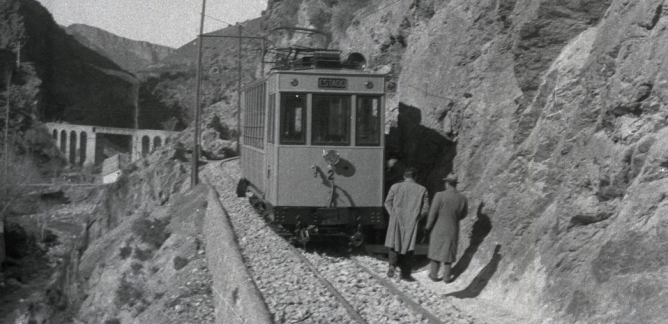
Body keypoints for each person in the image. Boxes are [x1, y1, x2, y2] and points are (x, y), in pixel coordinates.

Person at [384, 167, 430, 280]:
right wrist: (417, 217)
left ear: (404, 176)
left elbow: (387, 203)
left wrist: (393, 214)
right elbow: (426, 208)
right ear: (415, 176)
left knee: (394, 243)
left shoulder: (395, 187)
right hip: (411, 220)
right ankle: (405, 273)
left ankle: (392, 266)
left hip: (396, 219)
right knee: (408, 246)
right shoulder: (422, 189)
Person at [425, 173, 468, 283]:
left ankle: (434, 274)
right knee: (449, 251)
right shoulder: (462, 198)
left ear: (447, 183)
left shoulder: (439, 195)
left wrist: (428, 226)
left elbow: (433, 213)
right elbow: (464, 214)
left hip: (439, 227)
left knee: (436, 249)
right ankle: (446, 277)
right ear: (455, 184)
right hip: (453, 228)